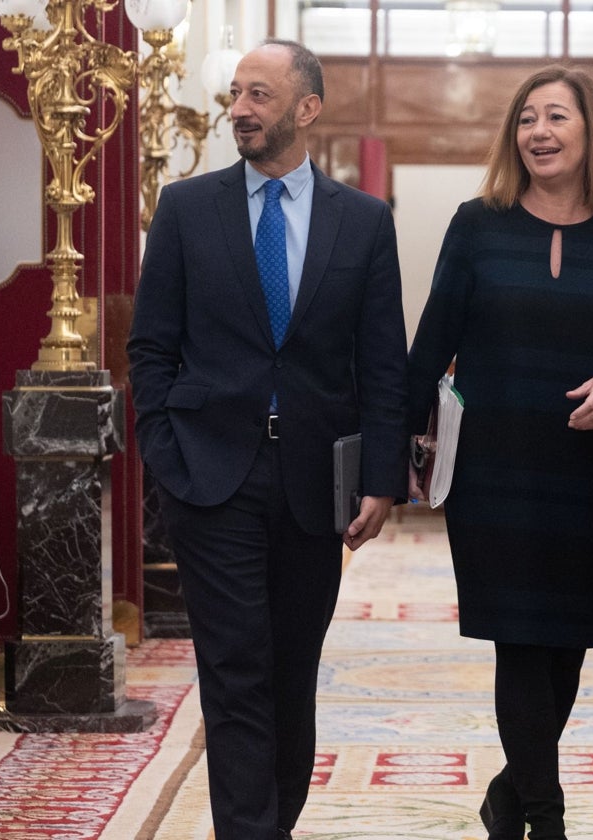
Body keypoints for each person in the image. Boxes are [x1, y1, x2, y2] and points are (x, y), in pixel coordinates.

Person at [126, 39, 409, 840]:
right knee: (235, 669)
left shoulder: (364, 222)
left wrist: (382, 480)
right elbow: (150, 346)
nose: (240, 110)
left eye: (258, 95)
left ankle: (271, 823)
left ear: (307, 109)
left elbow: (383, 361)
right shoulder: (186, 209)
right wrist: (164, 451)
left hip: (316, 484)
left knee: (291, 672)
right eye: (236, 95)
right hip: (209, 477)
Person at [405, 66, 593, 840]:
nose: (539, 132)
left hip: (584, 472)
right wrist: (393, 459)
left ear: (589, 133)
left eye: (556, 117)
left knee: (567, 648)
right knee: (518, 643)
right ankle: (544, 820)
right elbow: (431, 343)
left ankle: (510, 793)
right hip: (492, 471)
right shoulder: (477, 224)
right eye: (526, 119)